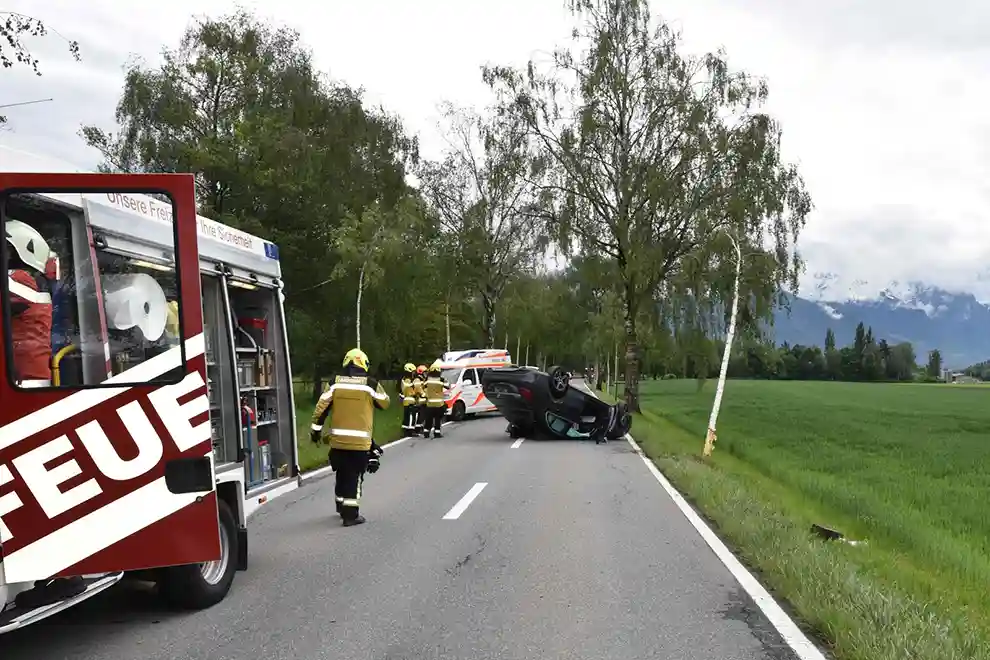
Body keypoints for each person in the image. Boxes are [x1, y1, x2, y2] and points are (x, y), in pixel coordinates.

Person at [310, 348, 390, 526]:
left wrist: (315, 431)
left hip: (338, 442)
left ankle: (340, 505)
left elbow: (320, 408)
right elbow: (385, 402)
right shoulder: (370, 384)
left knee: (341, 473)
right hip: (360, 443)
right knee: (355, 477)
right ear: (364, 364)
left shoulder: (334, 383)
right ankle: (351, 515)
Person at [5, 219, 55, 388]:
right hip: (28, 375)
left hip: (26, 380)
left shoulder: (21, 279)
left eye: (6, 249)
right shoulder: (33, 281)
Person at [422, 360, 447, 439]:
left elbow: (423, 386)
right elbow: (448, 386)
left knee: (428, 419)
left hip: (429, 404)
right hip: (439, 404)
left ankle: (426, 433)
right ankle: (437, 433)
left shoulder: (427, 380)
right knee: (437, 419)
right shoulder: (441, 380)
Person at [400, 362, 417, 436]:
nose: (414, 373)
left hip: (406, 400)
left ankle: (405, 430)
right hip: (410, 400)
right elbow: (411, 391)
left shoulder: (404, 380)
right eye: (413, 372)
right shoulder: (408, 381)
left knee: (406, 416)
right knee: (410, 416)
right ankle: (409, 431)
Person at [413, 364, 427, 433]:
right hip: (418, 400)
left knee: (422, 415)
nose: (426, 374)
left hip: (422, 401)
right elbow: (418, 389)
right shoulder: (417, 380)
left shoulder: (422, 380)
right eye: (424, 372)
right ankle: (417, 429)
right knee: (419, 415)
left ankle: (420, 428)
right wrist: (424, 394)